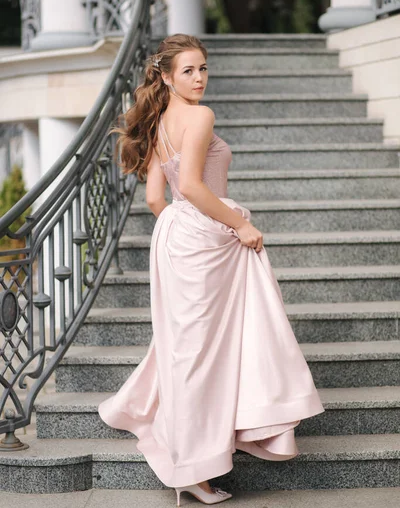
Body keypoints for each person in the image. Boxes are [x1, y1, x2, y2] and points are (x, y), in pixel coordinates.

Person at [98, 33, 325, 505]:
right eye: (188, 70)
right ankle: (196, 466)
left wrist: (185, 233)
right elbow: (198, 189)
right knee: (206, 355)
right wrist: (238, 225)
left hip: (178, 238)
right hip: (205, 234)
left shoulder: (160, 121)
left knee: (190, 353)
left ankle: (192, 462)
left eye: (203, 69)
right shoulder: (200, 117)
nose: (199, 78)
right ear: (165, 75)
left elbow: (157, 200)